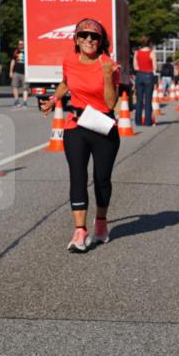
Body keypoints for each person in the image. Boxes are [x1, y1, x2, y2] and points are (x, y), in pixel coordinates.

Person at [40, 18, 121, 253]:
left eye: (94, 36)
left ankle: (101, 222)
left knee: (102, 180)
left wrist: (107, 76)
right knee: (77, 177)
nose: (89, 40)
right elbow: (66, 83)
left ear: (101, 41)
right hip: (76, 126)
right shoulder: (69, 61)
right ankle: (80, 231)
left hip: (103, 127)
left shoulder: (110, 66)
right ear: (76, 39)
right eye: (84, 35)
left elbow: (110, 103)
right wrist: (54, 99)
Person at [133, 36, 155, 126]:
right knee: (148, 100)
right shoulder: (151, 53)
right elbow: (155, 67)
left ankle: (138, 121)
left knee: (139, 100)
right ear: (150, 43)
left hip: (139, 75)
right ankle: (147, 122)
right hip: (149, 75)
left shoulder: (137, 53)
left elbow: (135, 67)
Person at [10, 39, 28, 107]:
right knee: (15, 86)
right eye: (19, 44)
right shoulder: (16, 51)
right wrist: (11, 71)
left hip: (25, 72)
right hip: (16, 71)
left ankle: (25, 102)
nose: (20, 45)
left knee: (25, 88)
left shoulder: (27, 51)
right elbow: (13, 61)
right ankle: (16, 100)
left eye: (21, 44)